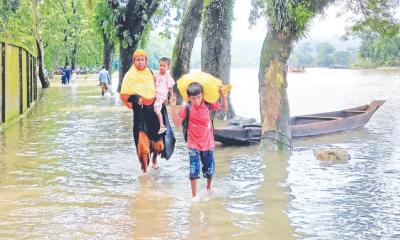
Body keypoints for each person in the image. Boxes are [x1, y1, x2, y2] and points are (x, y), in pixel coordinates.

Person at [120, 49, 175, 173]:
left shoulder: (151, 72)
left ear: (146, 61)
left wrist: (168, 97)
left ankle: (155, 158)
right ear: (133, 61)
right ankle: (144, 172)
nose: (140, 62)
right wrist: (135, 98)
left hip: (154, 112)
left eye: (142, 60)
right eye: (137, 60)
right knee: (142, 145)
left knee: (157, 143)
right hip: (140, 114)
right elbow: (124, 95)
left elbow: (162, 86)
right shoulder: (129, 76)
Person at [170, 82, 228, 200]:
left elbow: (224, 108)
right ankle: (194, 196)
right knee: (194, 169)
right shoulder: (187, 107)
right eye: (193, 98)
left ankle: (208, 188)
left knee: (209, 168)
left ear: (202, 95)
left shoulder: (208, 105)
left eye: (198, 97)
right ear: (189, 98)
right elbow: (177, 124)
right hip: (193, 143)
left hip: (208, 142)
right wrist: (172, 106)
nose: (196, 100)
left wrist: (223, 95)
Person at [154, 57, 175, 134]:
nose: (161, 67)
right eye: (160, 65)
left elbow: (170, 87)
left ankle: (162, 125)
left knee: (156, 108)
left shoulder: (167, 77)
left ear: (168, 67)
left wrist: (171, 96)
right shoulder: (156, 74)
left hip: (161, 96)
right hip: (155, 94)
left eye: (164, 66)